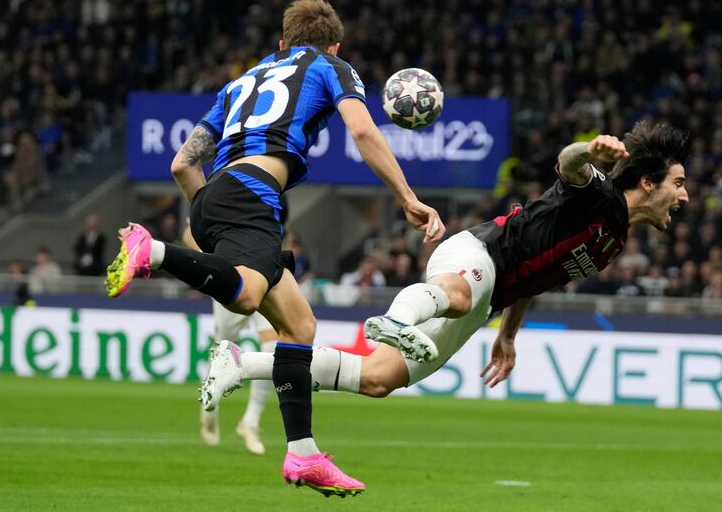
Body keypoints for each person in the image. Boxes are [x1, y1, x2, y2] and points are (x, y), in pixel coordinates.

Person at [104, 0, 443, 497]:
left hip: (212, 192)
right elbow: (363, 130)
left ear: (281, 43)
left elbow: (181, 163)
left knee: (299, 325)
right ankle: (151, 251)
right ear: (334, 44)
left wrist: (208, 213)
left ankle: (303, 454)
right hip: (252, 195)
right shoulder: (333, 66)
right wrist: (408, 198)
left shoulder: (242, 81)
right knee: (244, 296)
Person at [203, 122, 689, 408]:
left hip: (489, 299)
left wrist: (508, 335)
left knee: (379, 380)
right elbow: (568, 164)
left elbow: (542, 274)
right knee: (455, 297)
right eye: (679, 183)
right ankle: (397, 318)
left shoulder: (614, 240)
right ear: (648, 183)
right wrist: (590, 150)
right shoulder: (601, 195)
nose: (685, 195)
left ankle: (241, 365)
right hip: (477, 255)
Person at [182, 223, 277, 456]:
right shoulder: (221, 194)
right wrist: (214, 260)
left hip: (264, 276)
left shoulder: (270, 196)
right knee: (222, 351)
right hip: (232, 280)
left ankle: (251, 422)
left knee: (273, 346)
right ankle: (209, 410)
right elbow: (188, 235)